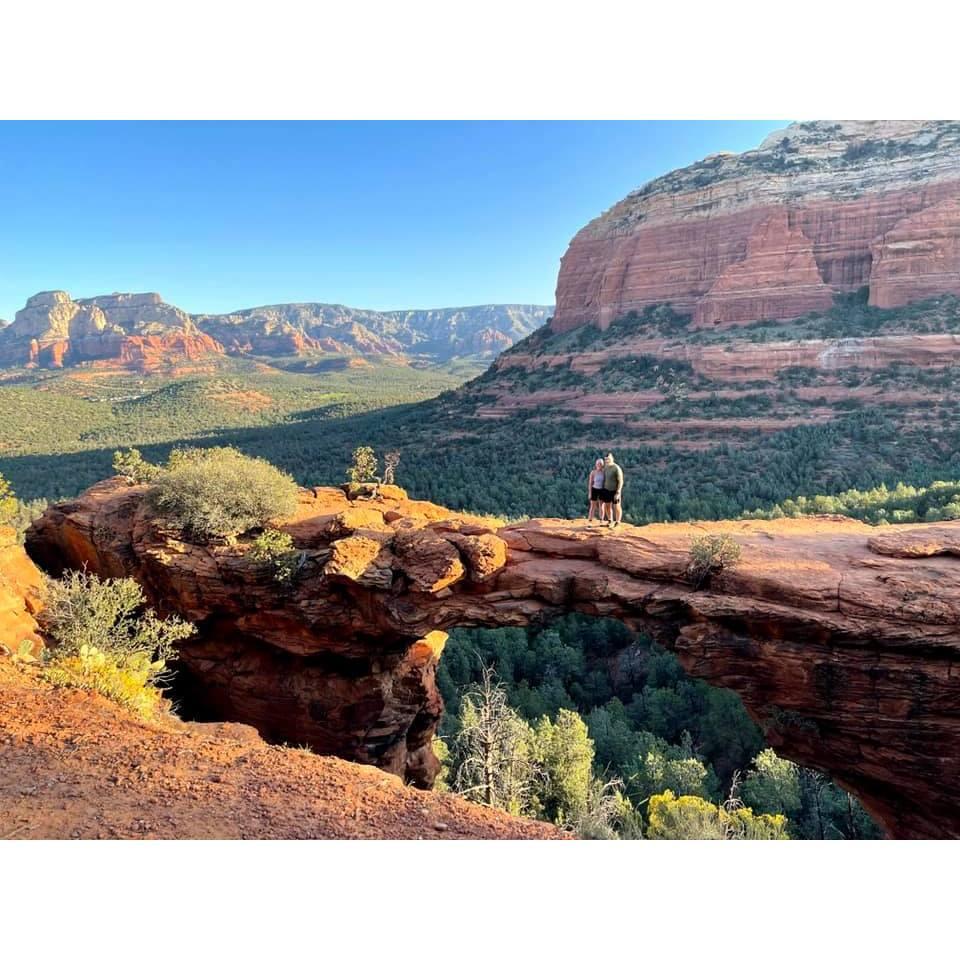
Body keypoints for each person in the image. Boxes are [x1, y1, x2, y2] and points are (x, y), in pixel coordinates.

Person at [602, 452, 624, 528]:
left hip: (615, 491)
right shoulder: (606, 468)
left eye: (608, 459)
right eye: (605, 459)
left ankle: (618, 522)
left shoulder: (616, 468)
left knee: (617, 506)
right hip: (606, 490)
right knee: (607, 506)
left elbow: (621, 481)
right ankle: (610, 520)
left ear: (612, 458)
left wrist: (618, 492)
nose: (607, 460)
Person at [587, 458, 606, 524]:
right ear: (596, 464)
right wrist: (590, 493)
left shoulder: (604, 472)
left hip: (602, 490)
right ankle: (590, 521)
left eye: (600, 464)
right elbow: (590, 483)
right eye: (598, 464)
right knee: (592, 506)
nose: (599, 465)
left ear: (602, 465)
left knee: (601, 505)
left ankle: (601, 520)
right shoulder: (593, 472)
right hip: (594, 489)